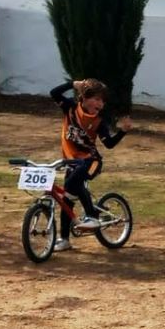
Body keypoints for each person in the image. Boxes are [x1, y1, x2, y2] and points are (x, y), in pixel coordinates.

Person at [49, 78, 132, 250]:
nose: (100, 103)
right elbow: (54, 93)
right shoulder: (70, 108)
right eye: (96, 99)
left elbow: (108, 144)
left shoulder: (99, 121)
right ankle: (64, 240)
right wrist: (73, 84)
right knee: (67, 201)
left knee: (71, 185)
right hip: (71, 162)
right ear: (84, 98)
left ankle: (92, 216)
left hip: (91, 161)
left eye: (102, 100)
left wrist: (122, 131)